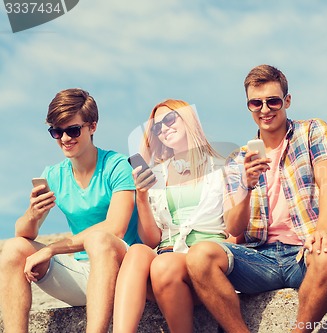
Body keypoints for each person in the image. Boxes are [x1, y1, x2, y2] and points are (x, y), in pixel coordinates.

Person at [186, 64, 327, 333]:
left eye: (272, 101)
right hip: (259, 257)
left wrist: (323, 230)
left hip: (303, 251)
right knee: (198, 257)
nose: (265, 110)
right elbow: (235, 228)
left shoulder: (313, 131)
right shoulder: (238, 161)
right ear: (248, 106)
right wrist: (246, 186)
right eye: (255, 103)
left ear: (287, 101)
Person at [0, 88, 140, 332]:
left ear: (92, 126)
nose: (64, 138)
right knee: (13, 248)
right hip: (82, 274)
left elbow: (115, 228)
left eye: (72, 130)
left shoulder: (117, 166)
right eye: (56, 131)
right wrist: (32, 214)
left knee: (99, 241)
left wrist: (53, 249)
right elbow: (22, 233)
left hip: (122, 273)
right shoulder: (53, 175)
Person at [113, 99, 227, 333]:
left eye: (169, 119)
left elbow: (233, 225)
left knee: (163, 264)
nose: (163, 129)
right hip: (165, 259)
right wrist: (142, 197)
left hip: (204, 259)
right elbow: (152, 240)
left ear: (188, 120)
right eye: (156, 127)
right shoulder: (157, 174)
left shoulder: (221, 166)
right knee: (136, 251)